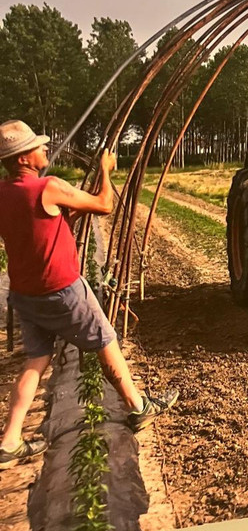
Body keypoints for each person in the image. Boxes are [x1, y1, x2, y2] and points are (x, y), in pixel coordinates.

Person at [0, 119, 178, 471]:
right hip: (61, 289)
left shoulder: (5, 194)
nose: (45, 148)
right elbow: (104, 205)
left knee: (36, 359)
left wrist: (67, 212)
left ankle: (9, 441)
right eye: (37, 147)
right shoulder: (48, 187)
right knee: (106, 341)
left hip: (25, 293)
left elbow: (40, 222)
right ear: (22, 158)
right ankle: (138, 407)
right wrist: (106, 170)